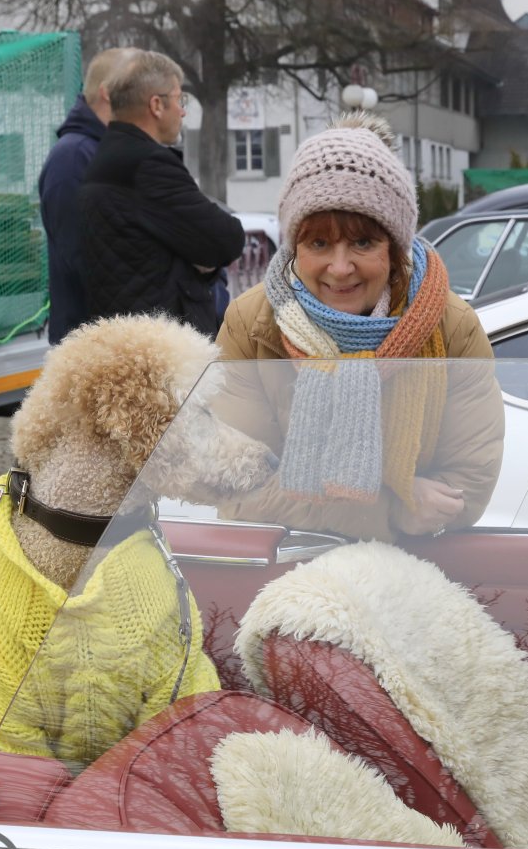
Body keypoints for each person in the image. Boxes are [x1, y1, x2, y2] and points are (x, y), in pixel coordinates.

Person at [214, 111, 504, 541]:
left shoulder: (450, 325)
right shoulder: (251, 324)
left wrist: (419, 511)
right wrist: (391, 509)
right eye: (319, 243)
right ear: (295, 247)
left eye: (363, 242)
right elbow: (236, 484)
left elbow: (470, 478)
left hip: (413, 565)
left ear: (395, 247)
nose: (340, 267)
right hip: (285, 565)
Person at [78, 50, 244, 336]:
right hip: (164, 346)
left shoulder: (106, 156)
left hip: (127, 338)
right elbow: (228, 240)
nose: (183, 111)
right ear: (156, 105)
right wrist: (195, 258)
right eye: (180, 99)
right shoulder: (148, 165)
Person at [37, 47, 139, 345]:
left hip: (119, 338)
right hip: (92, 346)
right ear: (107, 93)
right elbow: (85, 259)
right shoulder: (72, 158)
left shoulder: (113, 150)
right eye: (137, 89)